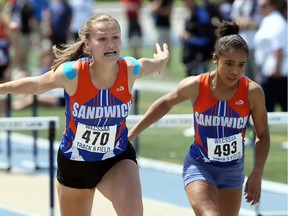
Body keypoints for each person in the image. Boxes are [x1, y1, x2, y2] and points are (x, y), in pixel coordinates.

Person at [0, 13, 169, 216]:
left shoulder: (129, 69)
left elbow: (150, 64)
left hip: (116, 157)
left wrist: (161, 61)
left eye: (115, 37)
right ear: (88, 44)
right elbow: (36, 85)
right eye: (102, 39)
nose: (110, 44)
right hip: (75, 164)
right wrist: (3, 88)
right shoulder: (72, 73)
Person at [129, 21, 270, 216]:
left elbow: (262, 135)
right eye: (228, 64)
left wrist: (257, 172)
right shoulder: (196, 85)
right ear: (215, 59)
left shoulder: (252, 92)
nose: (235, 71)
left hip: (233, 170)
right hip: (200, 165)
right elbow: (165, 103)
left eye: (241, 65)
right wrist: (132, 133)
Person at [254, 0, 287, 112]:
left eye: (263, 6)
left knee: (265, 111)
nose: (260, 8)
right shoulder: (267, 20)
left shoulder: (277, 21)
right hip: (268, 71)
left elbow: (278, 48)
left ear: (274, 5)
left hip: (276, 74)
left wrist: (276, 70)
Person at [180, 0, 216, 77]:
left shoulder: (202, 14)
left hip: (200, 56)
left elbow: (209, 37)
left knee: (200, 84)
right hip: (190, 55)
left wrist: (190, 39)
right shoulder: (188, 14)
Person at [230, 0, 262, 81]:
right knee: (244, 77)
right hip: (242, 45)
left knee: (258, 76)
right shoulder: (238, 3)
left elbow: (264, 23)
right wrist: (244, 23)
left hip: (257, 45)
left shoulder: (260, 2)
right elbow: (234, 22)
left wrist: (250, 24)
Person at [0, 4, 20, 116]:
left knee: (3, 94)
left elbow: (17, 48)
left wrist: (11, 68)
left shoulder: (8, 29)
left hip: (4, 65)